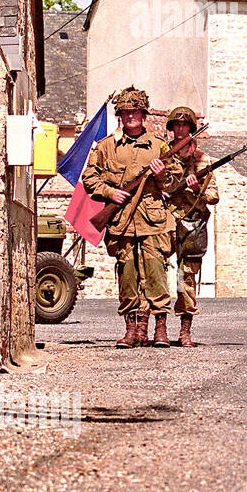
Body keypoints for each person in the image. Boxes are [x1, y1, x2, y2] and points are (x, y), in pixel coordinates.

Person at [81, 87, 182, 347]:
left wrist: (161, 176)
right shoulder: (106, 147)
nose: (130, 117)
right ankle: (131, 329)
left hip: (153, 219)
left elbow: (174, 185)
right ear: (119, 116)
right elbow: (89, 178)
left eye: (135, 111)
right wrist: (110, 192)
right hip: (121, 219)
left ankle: (160, 328)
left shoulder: (160, 146)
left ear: (144, 114)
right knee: (126, 273)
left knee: (156, 271)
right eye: (125, 112)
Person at [164, 105, 219, 347]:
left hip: (192, 222)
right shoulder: (162, 156)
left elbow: (214, 195)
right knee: (152, 270)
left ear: (191, 128)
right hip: (165, 220)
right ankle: (157, 329)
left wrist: (197, 189)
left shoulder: (202, 160)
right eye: (176, 125)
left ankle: (185, 330)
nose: (180, 129)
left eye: (184, 125)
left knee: (186, 276)